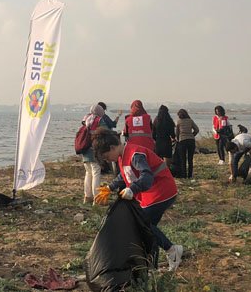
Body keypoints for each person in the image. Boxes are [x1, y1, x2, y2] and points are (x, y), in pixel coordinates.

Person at [92, 128, 183, 271]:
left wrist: (132, 189)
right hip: (152, 194)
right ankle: (151, 266)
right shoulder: (122, 156)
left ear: (112, 147)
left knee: (142, 223)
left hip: (161, 191)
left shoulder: (135, 154)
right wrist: (110, 187)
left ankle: (172, 250)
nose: (107, 160)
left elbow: (146, 177)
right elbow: (124, 175)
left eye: (106, 156)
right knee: (147, 230)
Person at [81, 104, 107, 204]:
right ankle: (97, 199)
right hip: (95, 150)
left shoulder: (85, 119)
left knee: (88, 173)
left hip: (85, 150)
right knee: (96, 173)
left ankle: (87, 197)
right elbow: (106, 131)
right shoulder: (99, 120)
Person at [175, 109, 199, 178]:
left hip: (182, 140)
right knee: (190, 159)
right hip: (191, 140)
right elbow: (197, 129)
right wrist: (192, 135)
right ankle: (190, 174)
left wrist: (178, 139)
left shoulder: (179, 122)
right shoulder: (190, 121)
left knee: (183, 159)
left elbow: (177, 133)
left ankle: (184, 175)